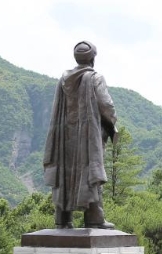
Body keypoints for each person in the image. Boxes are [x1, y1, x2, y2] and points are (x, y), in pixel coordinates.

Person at [43, 41, 117, 230]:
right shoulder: (95, 78)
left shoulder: (63, 80)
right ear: (93, 58)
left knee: (64, 174)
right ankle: (94, 218)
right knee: (90, 171)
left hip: (64, 137)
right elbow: (106, 105)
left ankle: (62, 218)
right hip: (87, 135)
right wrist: (112, 123)